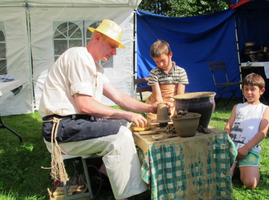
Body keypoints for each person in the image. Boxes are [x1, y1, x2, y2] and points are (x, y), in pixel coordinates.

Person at [39, 19, 162, 200]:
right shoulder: (78, 56)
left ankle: (101, 175)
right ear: (97, 38)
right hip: (60, 128)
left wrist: (149, 107)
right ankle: (126, 195)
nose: (114, 52)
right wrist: (127, 115)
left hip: (74, 124)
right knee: (121, 134)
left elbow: (119, 98)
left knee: (124, 125)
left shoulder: (95, 67)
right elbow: (85, 105)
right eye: (112, 46)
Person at [224, 73, 269, 189]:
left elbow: (263, 132)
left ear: (262, 91)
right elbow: (228, 126)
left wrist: (246, 148)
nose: (249, 93)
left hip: (249, 149)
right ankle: (235, 167)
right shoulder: (238, 107)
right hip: (232, 147)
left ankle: (245, 167)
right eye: (246, 89)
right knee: (222, 179)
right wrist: (227, 142)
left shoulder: (264, 109)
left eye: (253, 89)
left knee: (250, 183)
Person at [145, 40, 189, 122]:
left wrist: (176, 111)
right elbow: (158, 96)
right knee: (157, 125)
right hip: (158, 104)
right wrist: (163, 110)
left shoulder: (181, 72)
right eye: (157, 61)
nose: (160, 64)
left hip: (174, 104)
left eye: (162, 60)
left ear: (170, 55)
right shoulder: (154, 73)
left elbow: (180, 96)